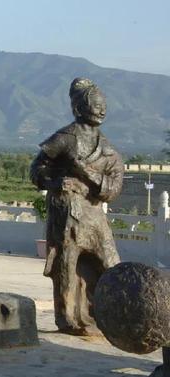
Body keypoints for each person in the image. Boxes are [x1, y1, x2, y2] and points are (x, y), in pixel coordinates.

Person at [30, 77, 124, 335]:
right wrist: (55, 182)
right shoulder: (65, 138)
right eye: (95, 104)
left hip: (94, 215)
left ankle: (111, 314)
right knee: (66, 266)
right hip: (68, 214)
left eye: (103, 104)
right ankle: (69, 317)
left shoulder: (108, 150)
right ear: (79, 108)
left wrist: (86, 173)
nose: (101, 109)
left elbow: (113, 189)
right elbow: (36, 169)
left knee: (110, 264)